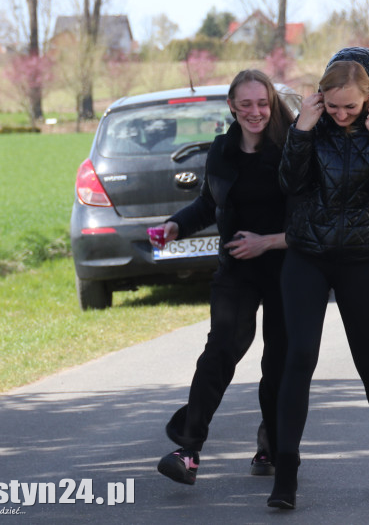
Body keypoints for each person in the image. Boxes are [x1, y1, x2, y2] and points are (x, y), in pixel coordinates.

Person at [269, 47, 369, 510]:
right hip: (307, 258)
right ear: (321, 99)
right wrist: (302, 131)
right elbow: (289, 186)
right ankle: (285, 476)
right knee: (300, 358)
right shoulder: (310, 124)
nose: (342, 114)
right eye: (333, 106)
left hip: (360, 261)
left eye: (351, 106)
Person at [154, 69, 294, 486]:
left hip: (289, 269)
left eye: (262, 103)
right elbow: (208, 202)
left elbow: (311, 221)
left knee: (279, 362)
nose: (255, 112)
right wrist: (175, 225)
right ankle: (188, 448)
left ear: (272, 103)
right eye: (245, 104)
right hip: (237, 268)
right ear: (231, 106)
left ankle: (271, 444)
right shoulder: (222, 150)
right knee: (221, 350)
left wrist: (266, 242)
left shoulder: (291, 150)